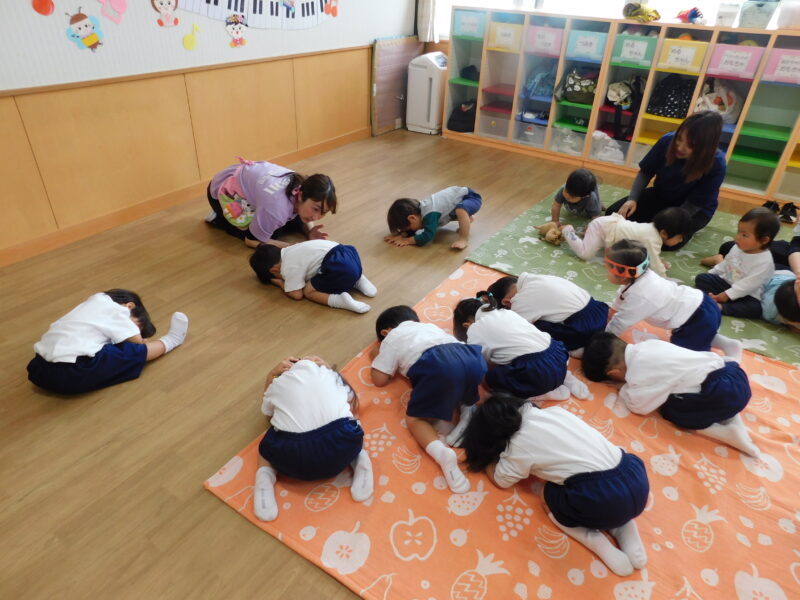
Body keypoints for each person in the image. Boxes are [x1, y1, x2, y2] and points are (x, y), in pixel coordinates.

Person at [461, 394, 649, 577]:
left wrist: (489, 459)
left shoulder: (518, 445)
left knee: (549, 493)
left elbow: (501, 480)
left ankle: (596, 541)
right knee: (607, 493)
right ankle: (623, 525)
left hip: (601, 498)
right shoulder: (557, 412)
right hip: (635, 478)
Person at [582, 332, 760, 457]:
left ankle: (726, 432)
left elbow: (639, 405)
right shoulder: (649, 344)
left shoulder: (637, 373)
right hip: (734, 374)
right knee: (686, 385)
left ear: (614, 373)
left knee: (672, 409)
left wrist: (623, 388)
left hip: (722, 394)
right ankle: (733, 417)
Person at [370, 306, 487, 493]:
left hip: (439, 366)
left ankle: (442, 454)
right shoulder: (430, 327)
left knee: (415, 419)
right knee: (460, 381)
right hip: (472, 358)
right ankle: (468, 407)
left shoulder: (392, 337)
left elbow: (379, 380)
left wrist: (376, 355)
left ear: (386, 332)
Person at [254, 355, 374, 522]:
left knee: (268, 443)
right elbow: (352, 402)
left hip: (293, 461)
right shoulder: (330, 376)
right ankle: (361, 461)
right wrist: (331, 371)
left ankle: (264, 482)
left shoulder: (278, 384)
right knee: (352, 424)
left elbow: (269, 416)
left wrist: (270, 377)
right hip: (341, 449)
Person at [26, 289, 188, 395]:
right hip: (69, 374)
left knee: (108, 348)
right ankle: (172, 340)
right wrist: (141, 341)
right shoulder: (119, 310)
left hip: (38, 369)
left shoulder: (94, 302)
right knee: (131, 352)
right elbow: (136, 341)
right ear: (130, 306)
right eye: (137, 327)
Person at [605, 111, 726, 250]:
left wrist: (668, 222)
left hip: (694, 210)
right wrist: (633, 199)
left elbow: (694, 204)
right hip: (661, 195)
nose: (680, 147)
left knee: (666, 241)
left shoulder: (717, 164)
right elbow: (646, 171)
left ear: (705, 148)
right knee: (613, 215)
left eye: (690, 145)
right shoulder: (667, 141)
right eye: (679, 139)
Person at [605, 240, 743, 360]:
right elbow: (622, 296)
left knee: (682, 355)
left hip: (696, 317)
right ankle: (729, 345)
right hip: (702, 304)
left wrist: (602, 338)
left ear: (622, 275)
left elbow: (621, 322)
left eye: (608, 269)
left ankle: (718, 363)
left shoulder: (640, 295)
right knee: (700, 335)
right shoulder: (642, 276)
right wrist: (613, 310)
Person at [452, 295, 589, 405]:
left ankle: (536, 394)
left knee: (490, 380)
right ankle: (565, 377)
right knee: (535, 349)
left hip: (535, 374)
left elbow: (481, 362)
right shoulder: (507, 313)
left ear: (467, 325)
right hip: (558, 358)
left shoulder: (475, 329)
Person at [206, 157, 337, 248]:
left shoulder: (303, 183)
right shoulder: (276, 208)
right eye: (316, 209)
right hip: (223, 188)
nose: (316, 217)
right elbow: (251, 240)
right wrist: (291, 247)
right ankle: (219, 219)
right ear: (301, 195)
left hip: (244, 180)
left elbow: (302, 211)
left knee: (291, 219)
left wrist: (310, 231)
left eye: (323, 212)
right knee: (273, 233)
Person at [486, 273, 608, 355]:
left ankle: (575, 347)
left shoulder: (521, 300)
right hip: (600, 311)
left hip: (583, 328)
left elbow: (512, 327)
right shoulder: (535, 279)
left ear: (506, 302)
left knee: (533, 326)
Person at [249, 240, 377, 313]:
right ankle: (359, 278)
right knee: (334, 270)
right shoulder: (290, 249)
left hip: (340, 268)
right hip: (349, 254)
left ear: (274, 270)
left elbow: (297, 294)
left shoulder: (288, 267)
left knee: (308, 291)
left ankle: (340, 301)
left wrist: (278, 282)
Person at [695, 207, 780, 318]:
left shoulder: (764, 262)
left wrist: (727, 295)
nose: (738, 237)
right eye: (738, 231)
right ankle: (712, 299)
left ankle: (720, 307)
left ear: (764, 240)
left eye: (744, 235)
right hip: (727, 284)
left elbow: (749, 285)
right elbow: (726, 263)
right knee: (702, 278)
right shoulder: (737, 247)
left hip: (748, 294)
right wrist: (712, 273)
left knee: (756, 309)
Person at [561, 207, 691, 276]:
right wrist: (664, 279)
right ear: (664, 233)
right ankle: (568, 231)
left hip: (610, 229)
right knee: (586, 255)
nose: (680, 240)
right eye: (680, 237)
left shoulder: (652, 231)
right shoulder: (652, 238)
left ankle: (589, 237)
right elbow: (655, 267)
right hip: (601, 228)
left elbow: (651, 256)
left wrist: (657, 260)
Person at [384, 186, 482, 250]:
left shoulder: (430, 214)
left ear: (412, 218)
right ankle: (467, 218)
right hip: (456, 203)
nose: (411, 231)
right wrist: (402, 235)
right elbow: (414, 229)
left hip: (471, 198)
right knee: (452, 212)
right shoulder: (419, 213)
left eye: (408, 229)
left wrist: (407, 240)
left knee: (460, 210)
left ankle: (464, 239)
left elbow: (427, 236)